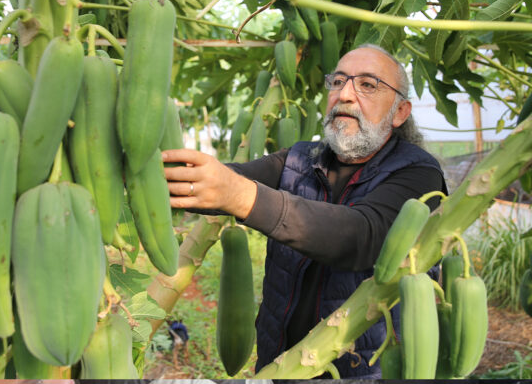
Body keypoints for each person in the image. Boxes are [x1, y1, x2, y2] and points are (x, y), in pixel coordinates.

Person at [162, 44, 447, 378]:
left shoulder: (418, 174)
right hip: (278, 362)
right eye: (338, 82)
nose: (345, 94)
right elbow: (227, 178)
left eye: (367, 85)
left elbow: (362, 235)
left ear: (401, 112)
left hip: (360, 370)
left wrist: (240, 196)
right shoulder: (300, 159)